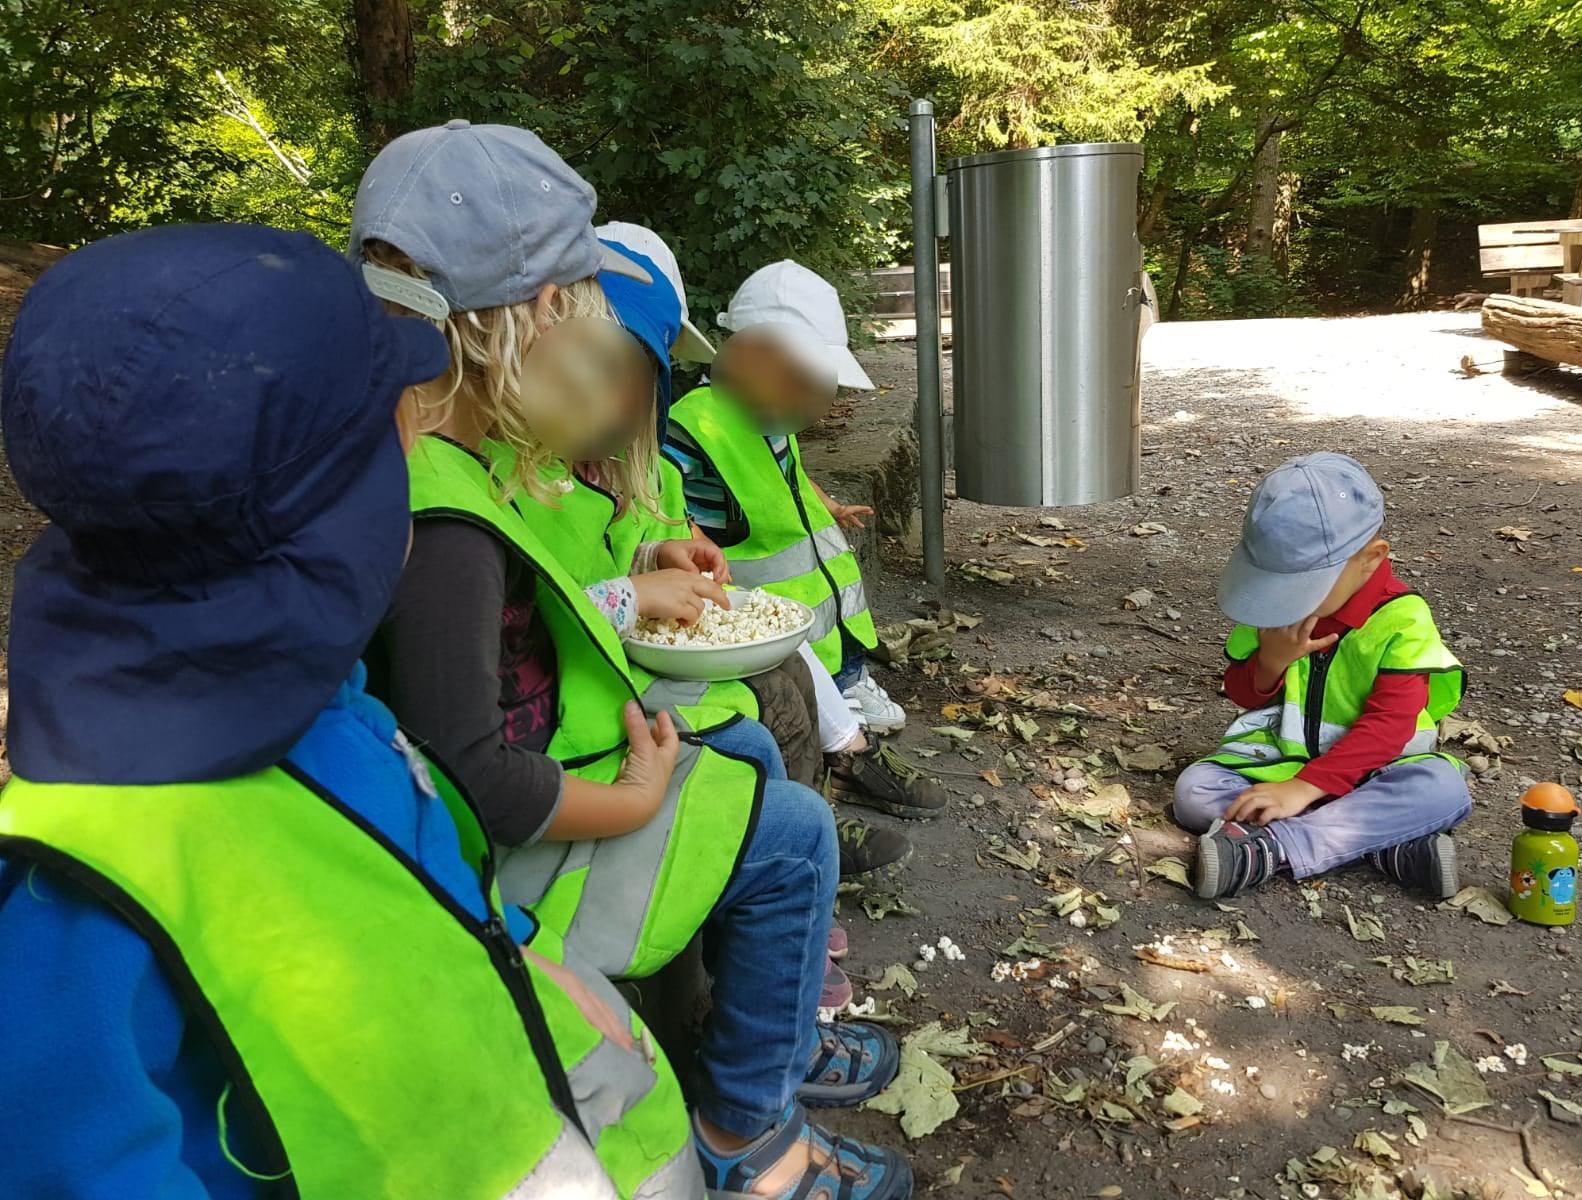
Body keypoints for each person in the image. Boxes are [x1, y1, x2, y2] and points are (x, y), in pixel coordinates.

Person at [0, 223, 700, 1198]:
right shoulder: (68, 900)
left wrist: (535, 961)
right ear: (336, 525)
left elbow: (422, 894)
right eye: (395, 438)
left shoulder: (330, 708)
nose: (418, 459)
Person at [354, 120, 911, 1200]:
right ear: (520, 324)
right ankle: (751, 1132)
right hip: (503, 865)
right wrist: (635, 796)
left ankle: (766, 1043)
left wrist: (645, 572)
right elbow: (477, 774)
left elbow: (540, 616)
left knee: (749, 744)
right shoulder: (445, 522)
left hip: (535, 790)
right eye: (575, 305)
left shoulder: (453, 459)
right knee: (789, 832)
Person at [596, 224, 937, 878]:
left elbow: (660, 519)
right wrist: (677, 546)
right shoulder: (685, 429)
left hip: (740, 621)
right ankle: (814, 816)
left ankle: (825, 797)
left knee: (788, 685)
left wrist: (669, 548)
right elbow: (656, 521)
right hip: (658, 650)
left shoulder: (746, 429)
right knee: (770, 707)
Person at [1174, 452, 1471, 901]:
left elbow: (1389, 727)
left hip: (1379, 771)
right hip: (1280, 761)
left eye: (1304, 586)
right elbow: (1241, 692)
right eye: (1278, 585)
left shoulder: (1403, 620)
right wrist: (1271, 660)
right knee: (1193, 793)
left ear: (1371, 559)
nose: (1289, 601)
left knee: (1443, 790)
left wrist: (1305, 788)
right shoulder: (1273, 613)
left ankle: (1272, 850)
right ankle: (1381, 845)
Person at [664, 261, 907, 740]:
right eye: (797, 376)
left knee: (837, 637)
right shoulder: (693, 420)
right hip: (763, 597)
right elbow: (660, 484)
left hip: (820, 591)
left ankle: (852, 680)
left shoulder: (771, 416)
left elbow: (789, 473)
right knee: (802, 654)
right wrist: (683, 527)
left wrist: (830, 505)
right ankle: (835, 700)